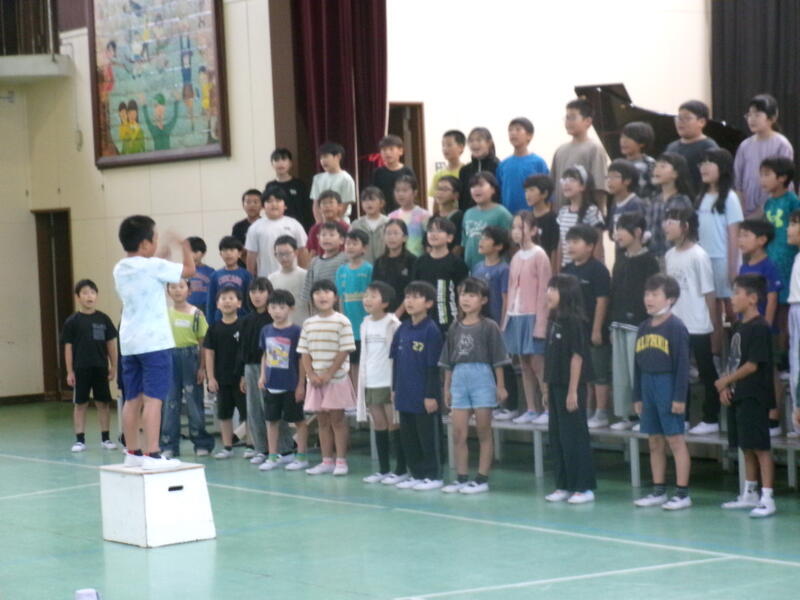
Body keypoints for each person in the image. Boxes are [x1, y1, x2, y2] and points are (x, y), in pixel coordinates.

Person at [114, 215, 194, 469]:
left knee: (132, 399)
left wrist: (160, 256)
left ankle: (132, 453)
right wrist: (185, 245)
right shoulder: (154, 266)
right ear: (145, 244)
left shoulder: (120, 268)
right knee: (153, 400)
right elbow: (189, 271)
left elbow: (146, 267)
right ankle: (152, 454)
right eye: (155, 238)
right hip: (154, 344)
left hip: (130, 343)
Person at [440, 278, 509, 494]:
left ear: (483, 300)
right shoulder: (454, 327)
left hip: (482, 377)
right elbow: (448, 361)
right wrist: (447, 387)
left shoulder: (489, 326)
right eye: (463, 294)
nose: (466, 299)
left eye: (472, 295)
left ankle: (481, 478)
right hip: (459, 378)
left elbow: (498, 359)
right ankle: (461, 477)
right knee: (458, 432)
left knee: (483, 431)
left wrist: (500, 386)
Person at [716, 274, 776, 517]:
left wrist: (725, 381)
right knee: (746, 446)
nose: (732, 298)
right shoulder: (738, 327)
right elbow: (734, 361)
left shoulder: (760, 327)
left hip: (755, 395)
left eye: (736, 293)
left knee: (760, 447)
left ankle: (767, 497)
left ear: (752, 298)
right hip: (739, 394)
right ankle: (749, 492)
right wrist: (726, 387)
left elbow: (752, 365)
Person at [633, 274, 692, 510]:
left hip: (667, 384)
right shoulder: (643, 327)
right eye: (647, 294)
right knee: (654, 440)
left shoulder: (676, 327)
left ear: (670, 299)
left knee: (675, 439)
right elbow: (637, 365)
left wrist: (679, 397)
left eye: (655, 294)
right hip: (647, 384)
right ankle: (658, 490)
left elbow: (682, 366)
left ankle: (682, 493)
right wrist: (637, 395)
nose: (648, 299)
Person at [664, 207, 720, 434]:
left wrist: (714, 327)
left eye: (672, 221)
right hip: (677, 324)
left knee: (706, 371)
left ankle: (711, 418)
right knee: (680, 372)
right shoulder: (669, 255)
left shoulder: (699, 255)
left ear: (686, 227)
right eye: (666, 221)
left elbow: (709, 293)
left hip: (699, 324)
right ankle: (683, 416)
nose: (666, 225)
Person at [543, 274, 597, 504]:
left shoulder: (575, 322)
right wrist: (546, 389)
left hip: (571, 387)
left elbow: (577, 357)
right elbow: (549, 357)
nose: (549, 293)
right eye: (549, 288)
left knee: (574, 436)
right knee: (557, 436)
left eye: (554, 289)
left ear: (567, 294)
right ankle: (563, 484)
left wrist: (573, 391)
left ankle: (583, 487)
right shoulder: (553, 320)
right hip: (555, 384)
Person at [298, 279, 357, 475]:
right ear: (312, 298)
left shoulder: (342, 321)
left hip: (336, 379)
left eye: (326, 292)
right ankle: (326, 461)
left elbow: (345, 350)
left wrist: (328, 374)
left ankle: (341, 461)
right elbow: (304, 352)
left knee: (337, 421)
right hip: (315, 382)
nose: (322, 296)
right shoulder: (308, 323)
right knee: (322, 422)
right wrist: (311, 374)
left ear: (335, 297)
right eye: (317, 293)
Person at [390, 281, 445, 490]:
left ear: (429, 303)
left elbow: (433, 367)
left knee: (428, 436)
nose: (409, 301)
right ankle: (416, 473)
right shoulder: (402, 328)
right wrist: (394, 389)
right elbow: (395, 361)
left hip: (424, 395)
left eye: (416, 297)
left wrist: (431, 395)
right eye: (407, 297)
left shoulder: (431, 330)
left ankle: (434, 475)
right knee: (409, 436)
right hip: (404, 393)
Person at [608, 213, 660, 430]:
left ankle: (644, 416)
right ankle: (627, 416)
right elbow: (614, 291)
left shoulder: (649, 261)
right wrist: (611, 323)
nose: (617, 233)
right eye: (617, 228)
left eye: (622, 228)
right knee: (621, 373)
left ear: (638, 232)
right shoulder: (620, 259)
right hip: (619, 323)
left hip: (639, 324)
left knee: (637, 371)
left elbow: (654, 294)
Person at [504, 212, 551, 425]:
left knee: (538, 363)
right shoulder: (515, 257)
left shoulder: (540, 255)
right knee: (523, 363)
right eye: (514, 227)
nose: (516, 231)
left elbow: (544, 292)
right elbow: (511, 289)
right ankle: (531, 408)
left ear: (533, 230)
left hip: (533, 316)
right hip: (516, 315)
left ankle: (548, 407)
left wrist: (541, 324)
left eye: (521, 227)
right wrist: (507, 320)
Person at [563, 225, 612, 430]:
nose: (570, 246)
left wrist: (596, 329)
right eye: (569, 242)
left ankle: (601, 412)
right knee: (582, 374)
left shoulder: (598, 270)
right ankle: (587, 410)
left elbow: (602, 300)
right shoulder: (566, 270)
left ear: (590, 246)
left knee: (598, 372)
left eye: (576, 242)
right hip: (573, 331)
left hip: (593, 329)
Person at [62, 279, 118, 453]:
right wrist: (70, 371)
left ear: (96, 296)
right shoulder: (72, 321)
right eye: (85, 293)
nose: (89, 296)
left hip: (100, 367)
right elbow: (68, 347)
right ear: (78, 297)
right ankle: (80, 440)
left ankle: (106, 438)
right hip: (81, 368)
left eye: (92, 292)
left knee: (103, 403)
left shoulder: (103, 319)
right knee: (81, 404)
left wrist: (114, 366)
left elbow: (111, 344)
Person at [357, 282, 405, 484]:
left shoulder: (393, 323)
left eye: (373, 296)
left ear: (385, 303)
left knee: (394, 423)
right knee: (378, 424)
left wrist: (397, 383)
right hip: (371, 380)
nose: (367, 299)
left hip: (388, 380)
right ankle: (383, 469)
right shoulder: (365, 323)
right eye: (366, 295)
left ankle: (400, 469)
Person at [697, 148, 743, 355]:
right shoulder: (701, 197)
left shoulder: (730, 198)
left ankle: (738, 352)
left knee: (732, 309)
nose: (704, 167)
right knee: (712, 311)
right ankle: (716, 355)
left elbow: (734, 236)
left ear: (722, 168)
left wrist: (733, 269)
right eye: (702, 163)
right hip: (705, 261)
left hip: (724, 260)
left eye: (710, 162)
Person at [258, 289, 310, 472]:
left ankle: (301, 456)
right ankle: (273, 456)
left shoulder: (297, 331)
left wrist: (301, 384)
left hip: (291, 385)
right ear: (268, 309)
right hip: (272, 384)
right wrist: (262, 375)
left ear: (291, 308)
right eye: (273, 307)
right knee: (271, 421)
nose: (277, 311)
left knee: (298, 421)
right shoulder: (266, 330)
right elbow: (265, 354)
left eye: (281, 307)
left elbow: (301, 359)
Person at [161, 278, 214, 457]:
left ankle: (201, 443)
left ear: (189, 290)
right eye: (173, 287)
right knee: (170, 403)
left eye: (181, 287)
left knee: (194, 402)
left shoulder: (197, 314)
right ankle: (169, 445)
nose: (177, 290)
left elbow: (203, 343)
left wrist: (202, 368)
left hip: (190, 358)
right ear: (168, 291)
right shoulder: (164, 314)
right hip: (170, 359)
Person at [472, 226, 517, 420]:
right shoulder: (477, 268)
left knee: (503, 365)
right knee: (485, 365)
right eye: (481, 237)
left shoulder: (504, 269)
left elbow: (506, 298)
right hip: (480, 323)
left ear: (498, 246)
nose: (481, 241)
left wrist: (502, 324)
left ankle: (511, 405)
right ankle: (491, 403)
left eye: (487, 238)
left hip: (498, 324)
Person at [762, 156, 800, 372]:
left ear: (783, 177)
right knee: (772, 307)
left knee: (786, 309)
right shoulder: (768, 203)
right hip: (771, 261)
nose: (762, 180)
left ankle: (786, 358)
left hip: (788, 261)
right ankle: (775, 356)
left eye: (767, 175)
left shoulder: (793, 201)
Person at [734, 94, 794, 218]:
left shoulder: (782, 144)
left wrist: (759, 213)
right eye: (749, 115)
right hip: (746, 211)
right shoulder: (745, 146)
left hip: (775, 210)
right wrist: (740, 211)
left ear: (772, 118)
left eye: (757, 115)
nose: (752, 119)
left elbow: (782, 183)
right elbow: (738, 181)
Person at [204, 286, 247, 459]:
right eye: (223, 298)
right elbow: (209, 354)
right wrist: (210, 378)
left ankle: (252, 446)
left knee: (248, 414)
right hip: (221, 379)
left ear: (239, 303)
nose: (227, 301)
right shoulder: (213, 329)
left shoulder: (244, 325)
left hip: (241, 380)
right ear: (217, 304)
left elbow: (247, 352)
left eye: (231, 298)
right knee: (224, 414)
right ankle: (227, 447)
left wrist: (245, 376)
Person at [238, 277, 274, 464]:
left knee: (271, 407)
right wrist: (243, 375)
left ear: (269, 293)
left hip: (271, 367)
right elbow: (242, 349)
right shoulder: (246, 320)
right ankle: (261, 448)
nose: (257, 296)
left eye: (261, 291)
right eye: (253, 292)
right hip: (250, 368)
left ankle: (281, 448)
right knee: (254, 409)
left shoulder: (273, 318)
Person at [411, 217, 469, 332]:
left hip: (449, 321)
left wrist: (461, 319)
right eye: (430, 230)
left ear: (450, 238)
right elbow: (414, 290)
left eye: (439, 231)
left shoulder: (457, 263)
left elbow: (462, 292)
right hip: (423, 319)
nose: (433, 234)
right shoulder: (420, 262)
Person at [551, 99, 609, 207]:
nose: (568, 122)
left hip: (584, 213)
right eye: (567, 118)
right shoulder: (560, 150)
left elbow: (599, 186)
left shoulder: (594, 148)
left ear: (588, 121)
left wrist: (600, 212)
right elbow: (553, 184)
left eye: (573, 118)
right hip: (561, 214)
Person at [336, 229, 373, 385]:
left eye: (354, 243)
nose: (350, 247)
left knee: (365, 363)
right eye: (347, 243)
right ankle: (353, 395)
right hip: (348, 327)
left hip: (365, 326)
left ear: (364, 248)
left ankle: (363, 395)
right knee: (351, 363)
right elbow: (340, 298)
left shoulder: (369, 269)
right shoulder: (341, 271)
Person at [245, 187, 308, 278]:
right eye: (269, 201)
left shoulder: (294, 224)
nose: (274, 204)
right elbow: (251, 255)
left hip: (293, 277)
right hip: (266, 278)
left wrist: (304, 275)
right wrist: (250, 279)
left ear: (285, 205)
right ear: (263, 206)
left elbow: (302, 251)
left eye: (278, 200)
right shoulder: (255, 227)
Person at [645, 153, 695, 263]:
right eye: (656, 166)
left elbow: (685, 233)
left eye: (663, 166)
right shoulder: (654, 201)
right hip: (653, 258)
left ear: (675, 174)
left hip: (675, 257)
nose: (657, 170)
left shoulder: (681, 201)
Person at [496, 117, 548, 215]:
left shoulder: (538, 162)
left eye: (518, 129)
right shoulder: (503, 165)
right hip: (508, 216)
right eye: (510, 130)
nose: (513, 133)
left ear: (529, 135)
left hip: (532, 216)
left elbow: (547, 191)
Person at [555, 165, 605, 267]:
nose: (566, 183)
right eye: (564, 180)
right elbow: (561, 244)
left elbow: (598, 245)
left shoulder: (592, 211)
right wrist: (559, 268)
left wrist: (596, 270)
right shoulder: (563, 212)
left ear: (583, 186)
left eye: (572, 180)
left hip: (585, 268)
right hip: (567, 268)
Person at [462, 172, 513, 269]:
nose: (476, 189)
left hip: (495, 268)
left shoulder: (502, 213)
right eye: (473, 186)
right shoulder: (468, 213)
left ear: (493, 189)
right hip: (471, 269)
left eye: (481, 185)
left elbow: (510, 244)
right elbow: (465, 242)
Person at [665, 100, 718, 193]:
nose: (681, 122)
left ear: (701, 122)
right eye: (679, 118)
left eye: (687, 118)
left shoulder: (708, 147)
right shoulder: (671, 147)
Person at [300, 221, 348, 316]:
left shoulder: (345, 259)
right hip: (320, 310)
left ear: (342, 240)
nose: (327, 238)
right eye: (323, 235)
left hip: (341, 309)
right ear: (318, 238)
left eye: (331, 235)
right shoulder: (314, 262)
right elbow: (308, 289)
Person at [738, 219, 781, 326]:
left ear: (762, 240)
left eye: (745, 235)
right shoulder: (743, 267)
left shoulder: (769, 266)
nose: (740, 240)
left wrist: (766, 327)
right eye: (740, 236)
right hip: (745, 325)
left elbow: (772, 300)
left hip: (760, 326)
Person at [372, 218, 417, 317]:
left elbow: (412, 289)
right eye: (388, 233)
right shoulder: (379, 262)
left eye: (396, 233)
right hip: (383, 313)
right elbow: (375, 289)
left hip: (407, 313)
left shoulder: (412, 261)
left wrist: (398, 313)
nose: (391, 237)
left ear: (404, 238)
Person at [264, 148, 313, 230]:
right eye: (276, 160)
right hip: (276, 227)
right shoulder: (270, 186)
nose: (280, 163)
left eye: (284, 159)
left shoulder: (299, 184)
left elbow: (307, 209)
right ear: (272, 164)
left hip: (298, 227)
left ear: (290, 163)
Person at [207, 236, 251, 324]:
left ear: (239, 253)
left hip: (241, 320)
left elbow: (249, 302)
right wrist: (210, 323)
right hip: (220, 320)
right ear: (220, 254)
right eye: (225, 250)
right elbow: (211, 302)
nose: (228, 253)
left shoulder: (246, 275)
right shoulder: (215, 275)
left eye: (232, 250)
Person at [309, 142, 356, 221]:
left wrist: (334, 221)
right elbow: (316, 204)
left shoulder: (346, 179)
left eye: (325, 156)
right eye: (321, 158)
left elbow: (345, 204)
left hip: (341, 221)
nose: (323, 161)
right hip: (322, 221)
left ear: (338, 157)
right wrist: (319, 222)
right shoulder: (317, 178)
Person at [268, 235, 309, 326]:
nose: (284, 258)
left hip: (304, 326)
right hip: (281, 328)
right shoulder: (271, 279)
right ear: (275, 255)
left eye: (287, 253)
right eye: (280, 254)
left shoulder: (306, 276)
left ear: (296, 253)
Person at [605, 159, 647, 245]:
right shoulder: (614, 206)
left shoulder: (635, 204)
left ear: (627, 180)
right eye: (608, 177)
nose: (609, 181)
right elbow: (611, 232)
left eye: (615, 176)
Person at [458, 127, 500, 211]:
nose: (474, 143)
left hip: (493, 214)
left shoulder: (498, 167)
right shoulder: (464, 170)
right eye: (471, 141)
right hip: (470, 215)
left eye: (479, 140)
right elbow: (462, 199)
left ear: (489, 143)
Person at [388, 174, 431, 257]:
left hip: (418, 259)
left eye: (405, 190)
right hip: (398, 259)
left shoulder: (424, 215)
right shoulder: (391, 217)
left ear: (415, 193)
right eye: (397, 190)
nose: (400, 194)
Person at [371, 134, 415, 213]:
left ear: (400, 151)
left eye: (391, 149)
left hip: (404, 212)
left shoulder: (407, 172)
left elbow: (413, 194)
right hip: (383, 213)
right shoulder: (378, 172)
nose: (387, 153)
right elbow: (374, 194)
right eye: (384, 150)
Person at [524, 174, 559, 270]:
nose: (527, 194)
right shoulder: (526, 218)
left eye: (531, 190)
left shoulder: (553, 219)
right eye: (526, 191)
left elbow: (554, 249)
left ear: (544, 194)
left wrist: (552, 271)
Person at [786, 210, 800, 438]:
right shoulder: (797, 257)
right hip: (795, 308)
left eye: (794, 224)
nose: (788, 229)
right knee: (795, 364)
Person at [350, 186, 389, 264]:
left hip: (385, 266)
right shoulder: (356, 225)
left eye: (372, 200)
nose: (368, 203)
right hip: (362, 266)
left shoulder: (389, 223)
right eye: (364, 200)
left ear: (381, 203)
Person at [620, 121, 657, 199]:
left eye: (629, 137)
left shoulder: (650, 164)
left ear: (642, 143)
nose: (623, 141)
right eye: (622, 137)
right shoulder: (620, 164)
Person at [307, 190, 349, 258]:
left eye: (331, 203)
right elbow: (312, 252)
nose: (327, 206)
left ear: (340, 206)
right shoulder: (315, 229)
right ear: (319, 208)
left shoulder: (346, 228)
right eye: (324, 203)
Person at [428, 130, 466, 199]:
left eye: (449, 145)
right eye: (443, 145)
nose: (445, 149)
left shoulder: (467, 171)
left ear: (461, 147)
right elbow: (436, 201)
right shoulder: (438, 175)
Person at [232, 189, 263, 264]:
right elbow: (237, 249)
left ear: (262, 205)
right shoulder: (238, 227)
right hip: (243, 266)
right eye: (248, 202)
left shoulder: (267, 225)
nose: (252, 205)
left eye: (255, 202)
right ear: (243, 205)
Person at [433, 175, 464, 253]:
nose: (440, 192)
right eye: (438, 188)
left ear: (455, 195)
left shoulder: (459, 216)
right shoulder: (434, 217)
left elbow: (459, 245)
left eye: (445, 189)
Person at [186, 236, 215, 314]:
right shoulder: (181, 271)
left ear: (203, 253)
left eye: (195, 251)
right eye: (189, 251)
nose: (192, 254)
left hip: (206, 308)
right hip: (187, 307)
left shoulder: (211, 271)